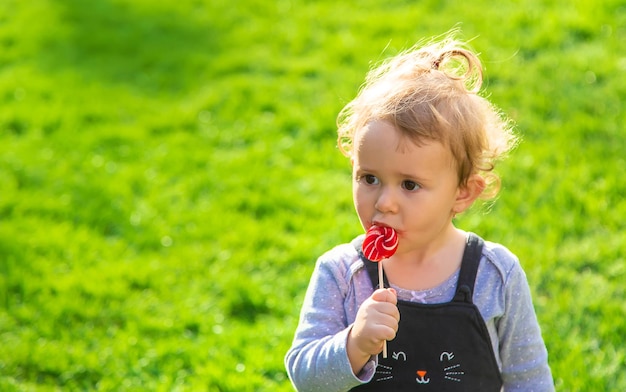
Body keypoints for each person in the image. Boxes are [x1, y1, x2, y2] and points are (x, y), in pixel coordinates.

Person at [284, 32, 553, 391]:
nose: (384, 202)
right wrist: (354, 344)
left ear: (463, 193)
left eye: (409, 185)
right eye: (369, 178)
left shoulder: (495, 275)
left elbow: (529, 379)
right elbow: (305, 378)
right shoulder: (342, 275)